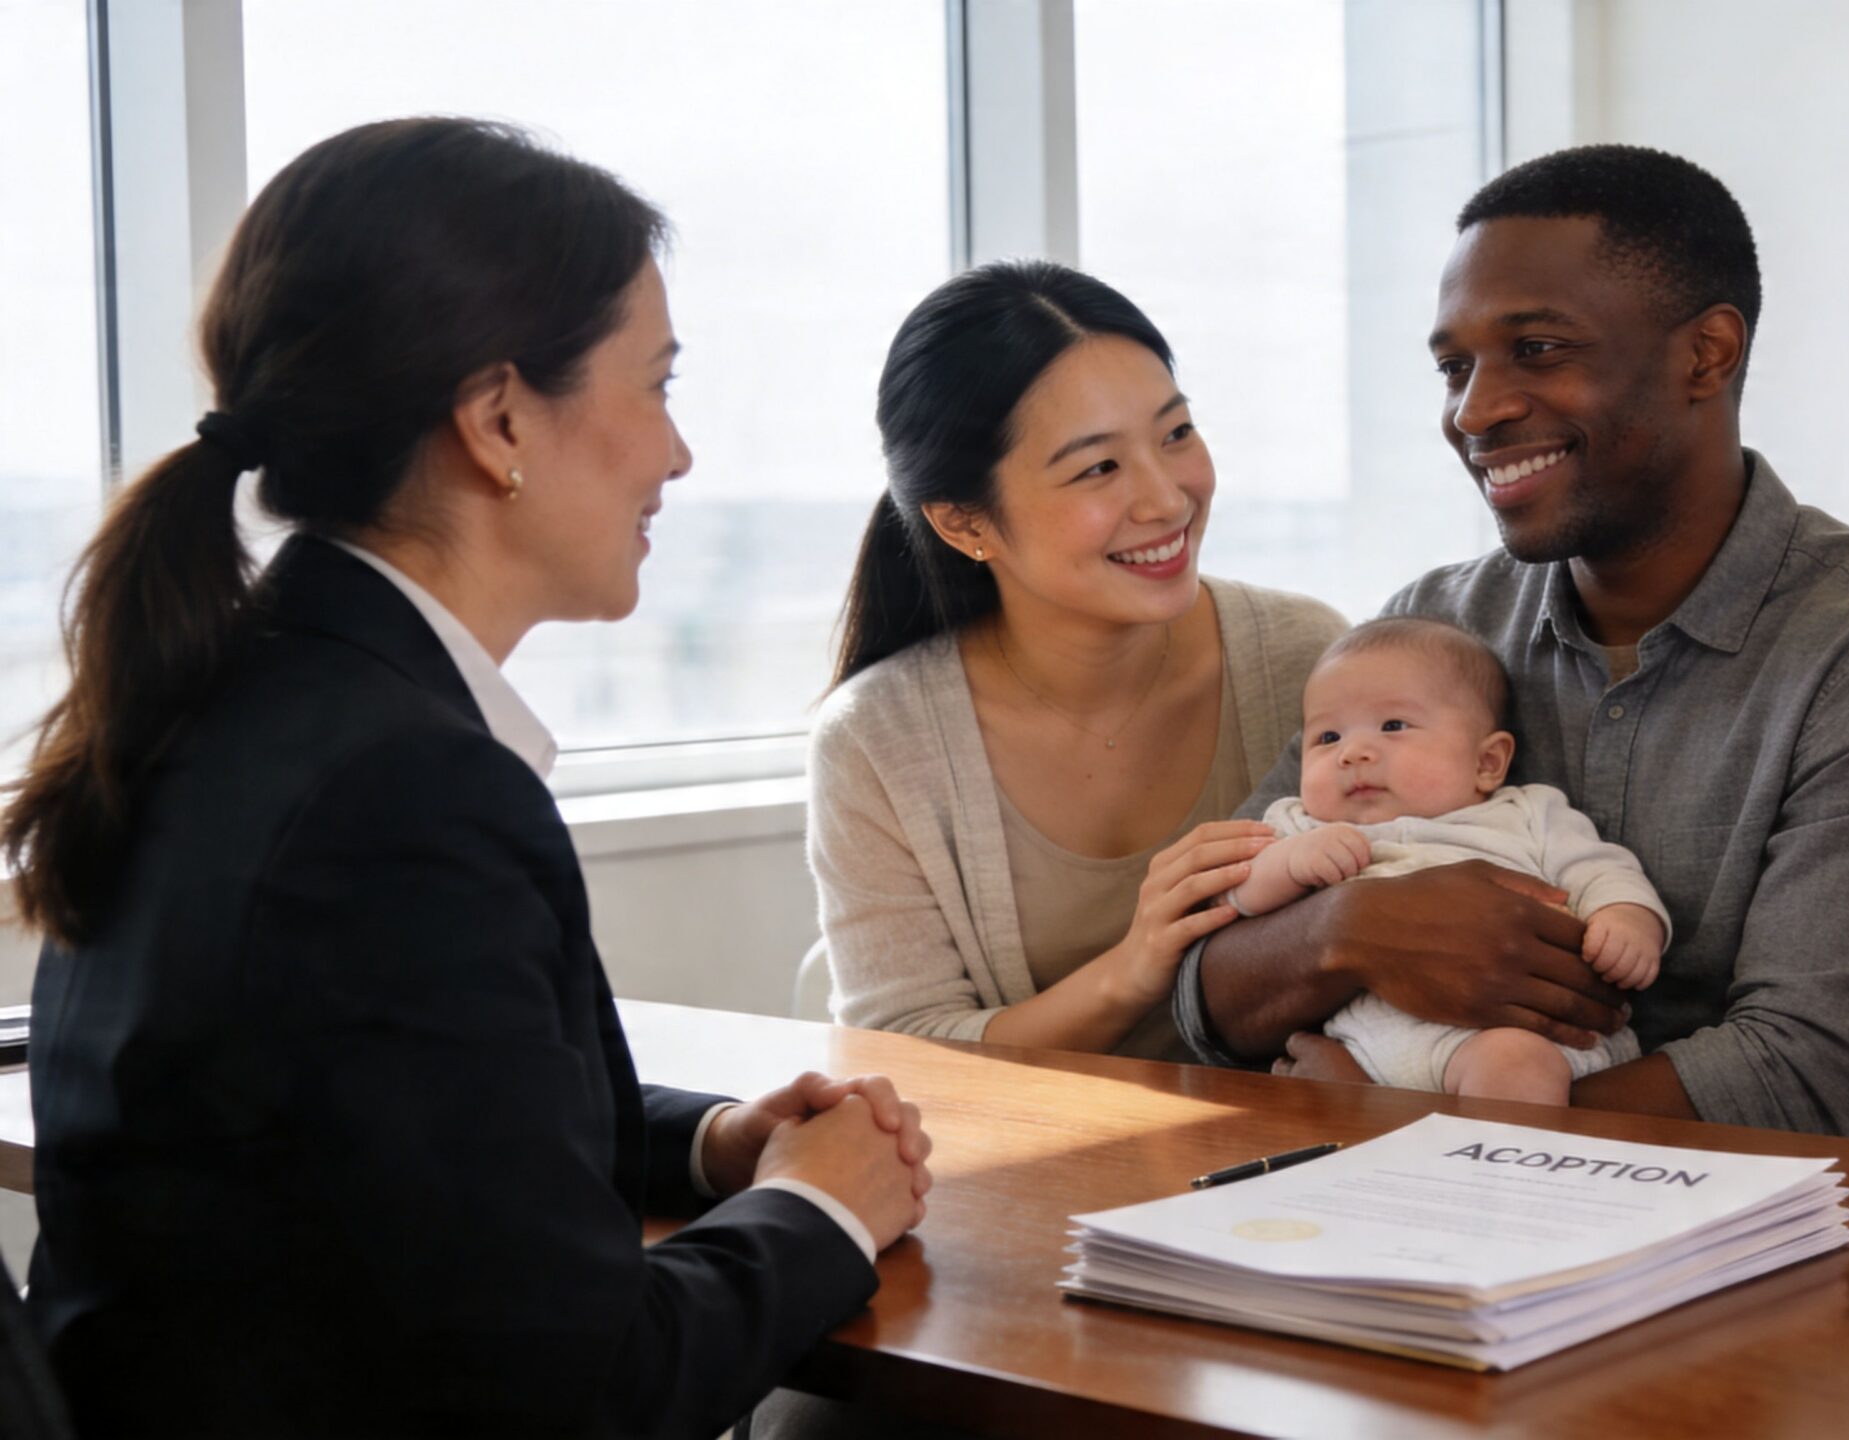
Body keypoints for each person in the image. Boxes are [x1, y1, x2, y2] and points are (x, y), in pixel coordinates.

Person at [2, 119, 933, 1437]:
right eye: (656, 386)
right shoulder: (400, 796)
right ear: (498, 420)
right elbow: (587, 1392)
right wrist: (825, 1208)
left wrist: (715, 1144)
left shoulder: (224, 700)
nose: (677, 455)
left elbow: (411, 1134)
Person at [1175, 144, 1849, 1136]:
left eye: (1537, 349)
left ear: (1707, 354)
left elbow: (1816, 1077)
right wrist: (1345, 929)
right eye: (1454, 367)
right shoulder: (1430, 627)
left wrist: (1398, 1118)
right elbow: (1202, 989)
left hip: (1744, 1220)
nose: (1474, 410)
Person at [810, 262, 1345, 1059]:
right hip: (1036, 1141)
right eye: (1099, 467)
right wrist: (1135, 967)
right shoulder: (879, 738)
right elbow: (907, 1051)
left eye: (1176, 434)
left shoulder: (1307, 659)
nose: (1167, 499)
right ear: (964, 524)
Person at [1229, 618, 1671, 1104]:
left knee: (1516, 1065)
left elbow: (1601, 870)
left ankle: (1480, 1153)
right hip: (1369, 1045)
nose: (1352, 753)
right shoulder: (1299, 824)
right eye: (1328, 737)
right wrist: (1288, 863)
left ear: (1487, 762)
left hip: (1515, 1033)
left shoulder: (1527, 813)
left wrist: (1626, 918)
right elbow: (1235, 896)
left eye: (1393, 726)